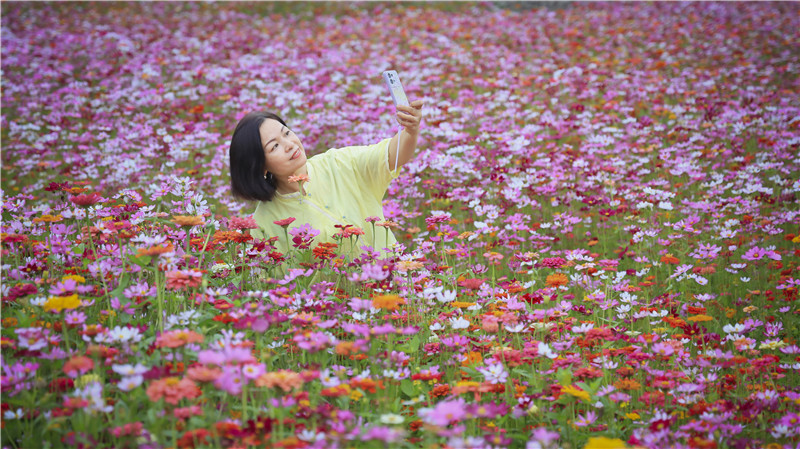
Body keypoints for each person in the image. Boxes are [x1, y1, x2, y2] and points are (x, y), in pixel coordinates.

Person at [229, 99, 424, 257]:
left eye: (287, 133)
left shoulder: (338, 163)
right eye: (274, 146)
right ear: (260, 166)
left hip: (393, 286)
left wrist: (410, 130)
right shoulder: (263, 223)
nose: (289, 144)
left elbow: (391, 155)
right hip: (339, 302)